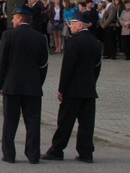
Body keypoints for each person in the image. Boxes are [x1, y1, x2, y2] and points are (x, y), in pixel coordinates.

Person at [41, 11, 102, 163]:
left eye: (73, 23)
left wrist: (62, 89)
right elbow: (97, 66)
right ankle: (86, 152)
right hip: (88, 90)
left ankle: (57, 150)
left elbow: (67, 68)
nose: (70, 26)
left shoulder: (74, 42)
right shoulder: (95, 42)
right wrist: (92, 82)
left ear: (80, 25)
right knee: (87, 123)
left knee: (65, 122)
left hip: (73, 90)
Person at [0, 4, 49, 164]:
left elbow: (1, 63)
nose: (12, 19)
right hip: (33, 86)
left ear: (19, 18)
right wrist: (38, 82)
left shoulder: (8, 36)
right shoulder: (40, 38)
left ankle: (9, 154)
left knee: (10, 122)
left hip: (12, 86)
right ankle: (33, 155)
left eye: (14, 17)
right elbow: (43, 65)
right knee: (33, 122)